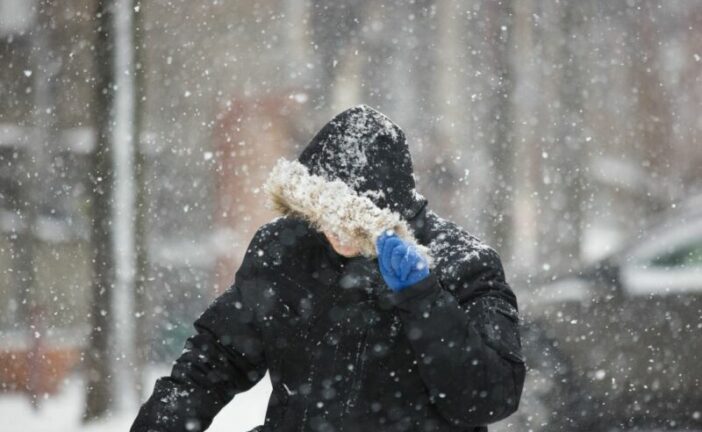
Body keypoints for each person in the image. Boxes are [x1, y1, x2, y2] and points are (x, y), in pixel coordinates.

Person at [131, 105, 525, 432]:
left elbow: (488, 398)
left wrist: (423, 299)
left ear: (386, 212)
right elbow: (213, 359)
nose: (336, 232)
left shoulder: (463, 263)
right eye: (323, 213)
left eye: (353, 220)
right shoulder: (286, 251)